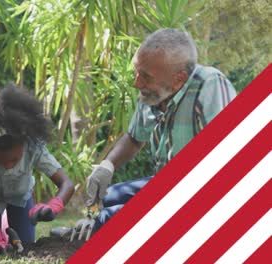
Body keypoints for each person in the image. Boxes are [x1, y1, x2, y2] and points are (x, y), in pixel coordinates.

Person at [85, 28, 236, 231]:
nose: (136, 83)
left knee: (107, 219)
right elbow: (134, 138)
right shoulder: (153, 93)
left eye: (145, 77)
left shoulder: (209, 85)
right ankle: (85, 232)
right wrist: (107, 165)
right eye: (137, 73)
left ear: (178, 79)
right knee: (107, 198)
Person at [0, 85, 74, 255]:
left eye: (14, 160)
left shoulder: (33, 146)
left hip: (21, 198)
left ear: (24, 144)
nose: (8, 165)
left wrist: (54, 206)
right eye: (0, 161)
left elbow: (67, 183)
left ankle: (1, 225)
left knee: (24, 245)